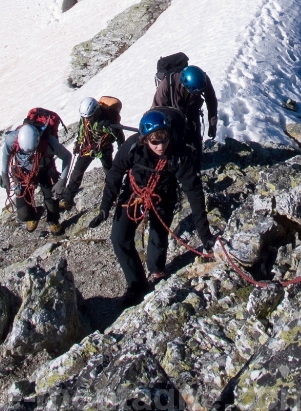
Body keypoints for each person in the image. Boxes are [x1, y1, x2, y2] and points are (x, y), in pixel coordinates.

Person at [88, 108, 214, 305]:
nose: (161, 146)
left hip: (163, 197)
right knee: (119, 238)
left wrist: (205, 236)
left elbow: (194, 193)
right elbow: (114, 175)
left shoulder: (180, 154)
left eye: (164, 139)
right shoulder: (131, 147)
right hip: (133, 195)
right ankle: (137, 284)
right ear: (144, 139)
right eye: (155, 141)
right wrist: (105, 207)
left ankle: (156, 272)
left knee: (158, 236)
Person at [0, 121, 71, 234]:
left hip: (45, 170)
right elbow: (6, 154)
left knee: (51, 197)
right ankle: (33, 215)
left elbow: (67, 156)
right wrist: (4, 175)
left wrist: (62, 181)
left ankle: (53, 220)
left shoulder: (49, 143)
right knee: (23, 214)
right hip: (22, 172)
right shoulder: (12, 139)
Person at [59, 96, 125, 210]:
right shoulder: (85, 118)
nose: (87, 119)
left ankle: (114, 194)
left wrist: (122, 151)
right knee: (77, 172)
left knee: (109, 172)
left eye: (89, 117)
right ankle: (67, 199)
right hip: (87, 147)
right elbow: (82, 130)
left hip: (103, 149)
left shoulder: (107, 122)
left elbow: (119, 136)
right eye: (86, 117)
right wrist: (78, 144)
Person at [152, 62, 218, 170]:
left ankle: (196, 167)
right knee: (175, 142)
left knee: (195, 138)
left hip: (192, 110)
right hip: (171, 115)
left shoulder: (203, 80)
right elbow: (155, 111)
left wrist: (212, 124)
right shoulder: (166, 86)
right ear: (183, 84)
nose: (197, 94)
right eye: (195, 92)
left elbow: (211, 101)